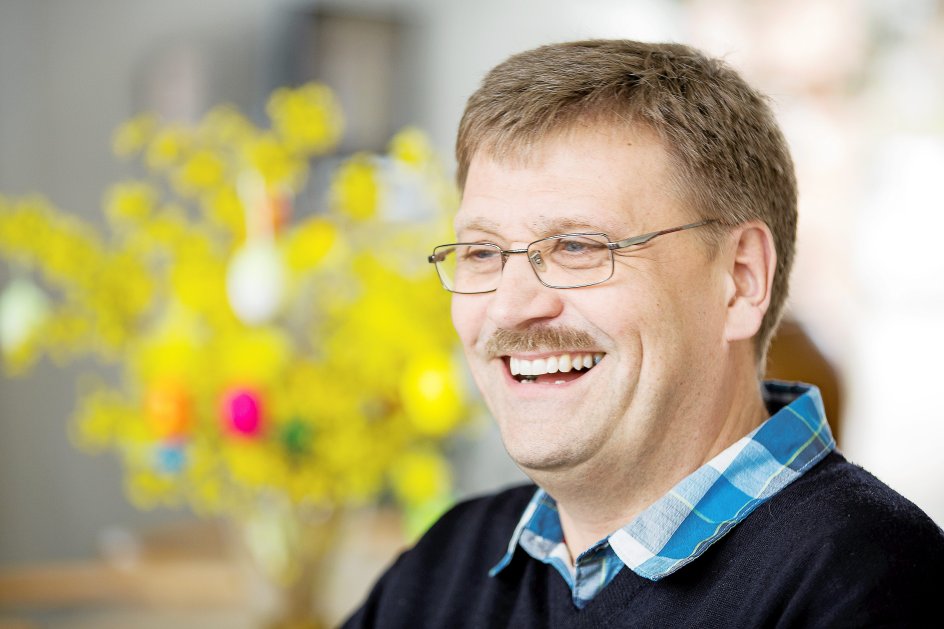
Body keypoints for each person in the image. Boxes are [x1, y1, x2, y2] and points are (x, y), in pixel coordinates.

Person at [343, 39, 943, 628]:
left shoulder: (874, 585)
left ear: (739, 280)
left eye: (577, 246)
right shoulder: (449, 560)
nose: (508, 308)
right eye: (481, 252)